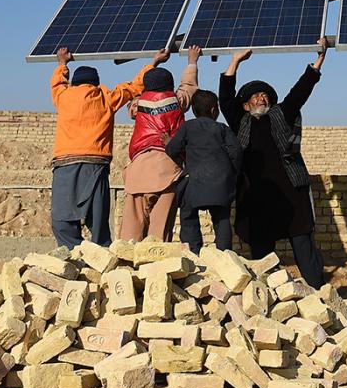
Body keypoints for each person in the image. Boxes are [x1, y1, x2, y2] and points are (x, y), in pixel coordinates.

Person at [218, 37, 328, 287]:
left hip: (291, 193)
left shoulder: (282, 114)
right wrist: (235, 61)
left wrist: (319, 59)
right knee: (262, 254)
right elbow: (225, 98)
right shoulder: (239, 121)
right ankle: (267, 296)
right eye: (256, 96)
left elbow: (300, 92)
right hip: (255, 195)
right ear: (245, 105)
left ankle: (319, 293)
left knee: (303, 244)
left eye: (265, 95)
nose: (262, 98)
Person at [50, 46, 169, 248]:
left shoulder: (63, 97)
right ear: (96, 83)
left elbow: (57, 82)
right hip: (95, 165)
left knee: (61, 218)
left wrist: (62, 63)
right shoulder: (106, 97)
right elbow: (135, 86)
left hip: (64, 164)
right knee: (97, 219)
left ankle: (73, 252)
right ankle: (100, 253)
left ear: (74, 83)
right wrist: (154, 62)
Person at [119, 46, 202, 242]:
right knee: (160, 231)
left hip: (139, 170)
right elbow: (189, 86)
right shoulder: (177, 100)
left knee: (131, 232)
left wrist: (153, 61)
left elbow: (134, 88)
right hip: (168, 169)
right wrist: (192, 61)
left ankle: (127, 266)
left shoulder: (136, 105)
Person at [165, 89, 243, 254]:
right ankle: (225, 255)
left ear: (193, 110)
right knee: (221, 220)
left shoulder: (188, 127)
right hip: (221, 183)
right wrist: (232, 174)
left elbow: (172, 150)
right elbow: (236, 152)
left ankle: (193, 252)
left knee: (188, 214)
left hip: (195, 183)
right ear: (214, 110)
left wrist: (168, 142)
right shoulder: (222, 128)